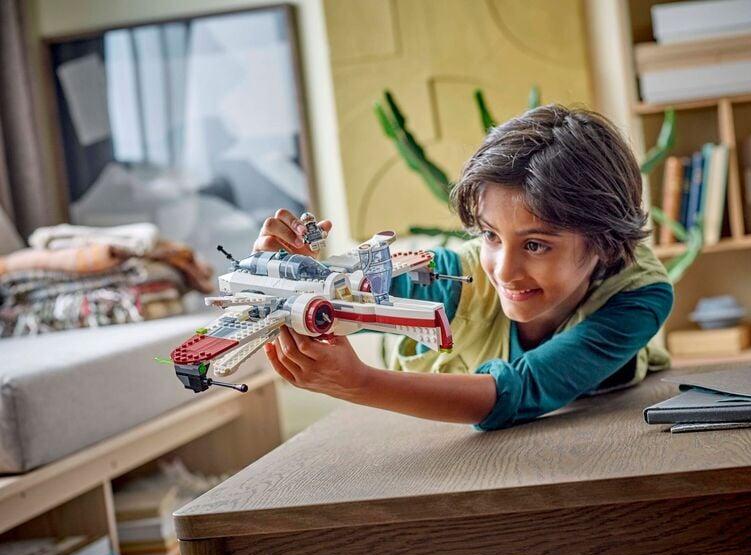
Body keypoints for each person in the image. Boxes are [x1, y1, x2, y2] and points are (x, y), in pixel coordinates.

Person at [253, 104, 674, 431]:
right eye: (490, 235)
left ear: (603, 242)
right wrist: (281, 274)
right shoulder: (453, 278)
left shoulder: (638, 297)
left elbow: (521, 391)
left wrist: (359, 383)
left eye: (535, 245)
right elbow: (331, 299)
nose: (504, 271)